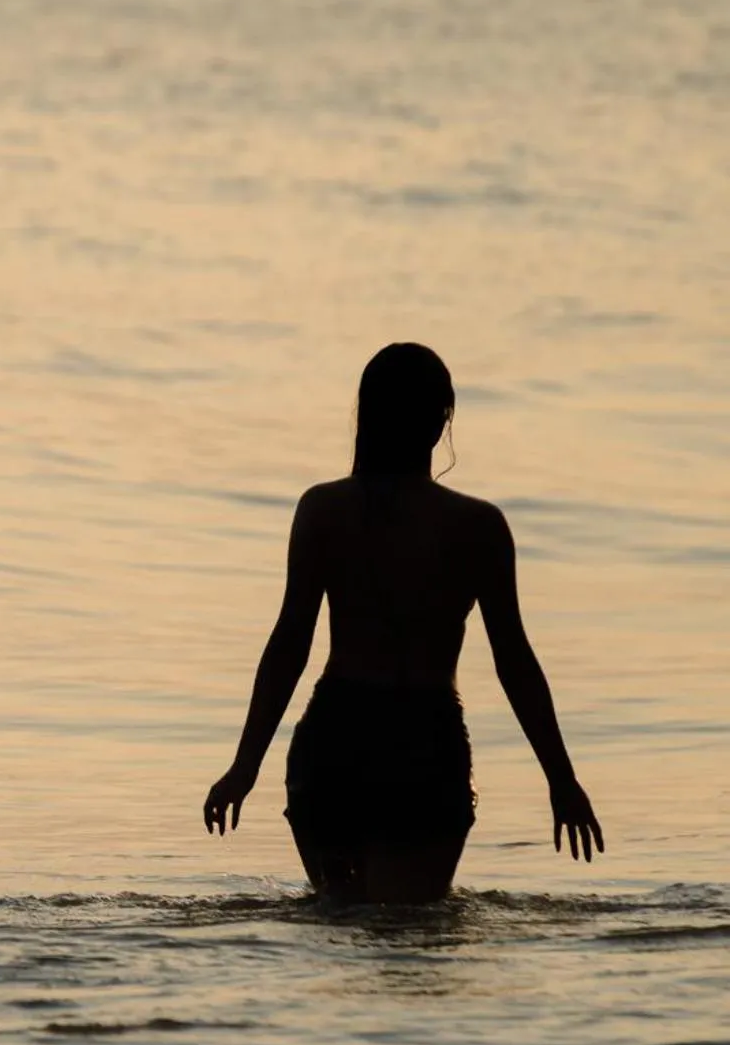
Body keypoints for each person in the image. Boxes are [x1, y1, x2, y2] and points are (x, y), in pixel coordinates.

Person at [202, 343, 602, 903]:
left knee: (340, 924)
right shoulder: (478, 526)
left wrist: (245, 766)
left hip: (335, 740)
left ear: (366, 417)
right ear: (441, 423)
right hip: (424, 746)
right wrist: (561, 780)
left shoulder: (323, 510)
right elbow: (514, 661)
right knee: (411, 930)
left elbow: (289, 644)